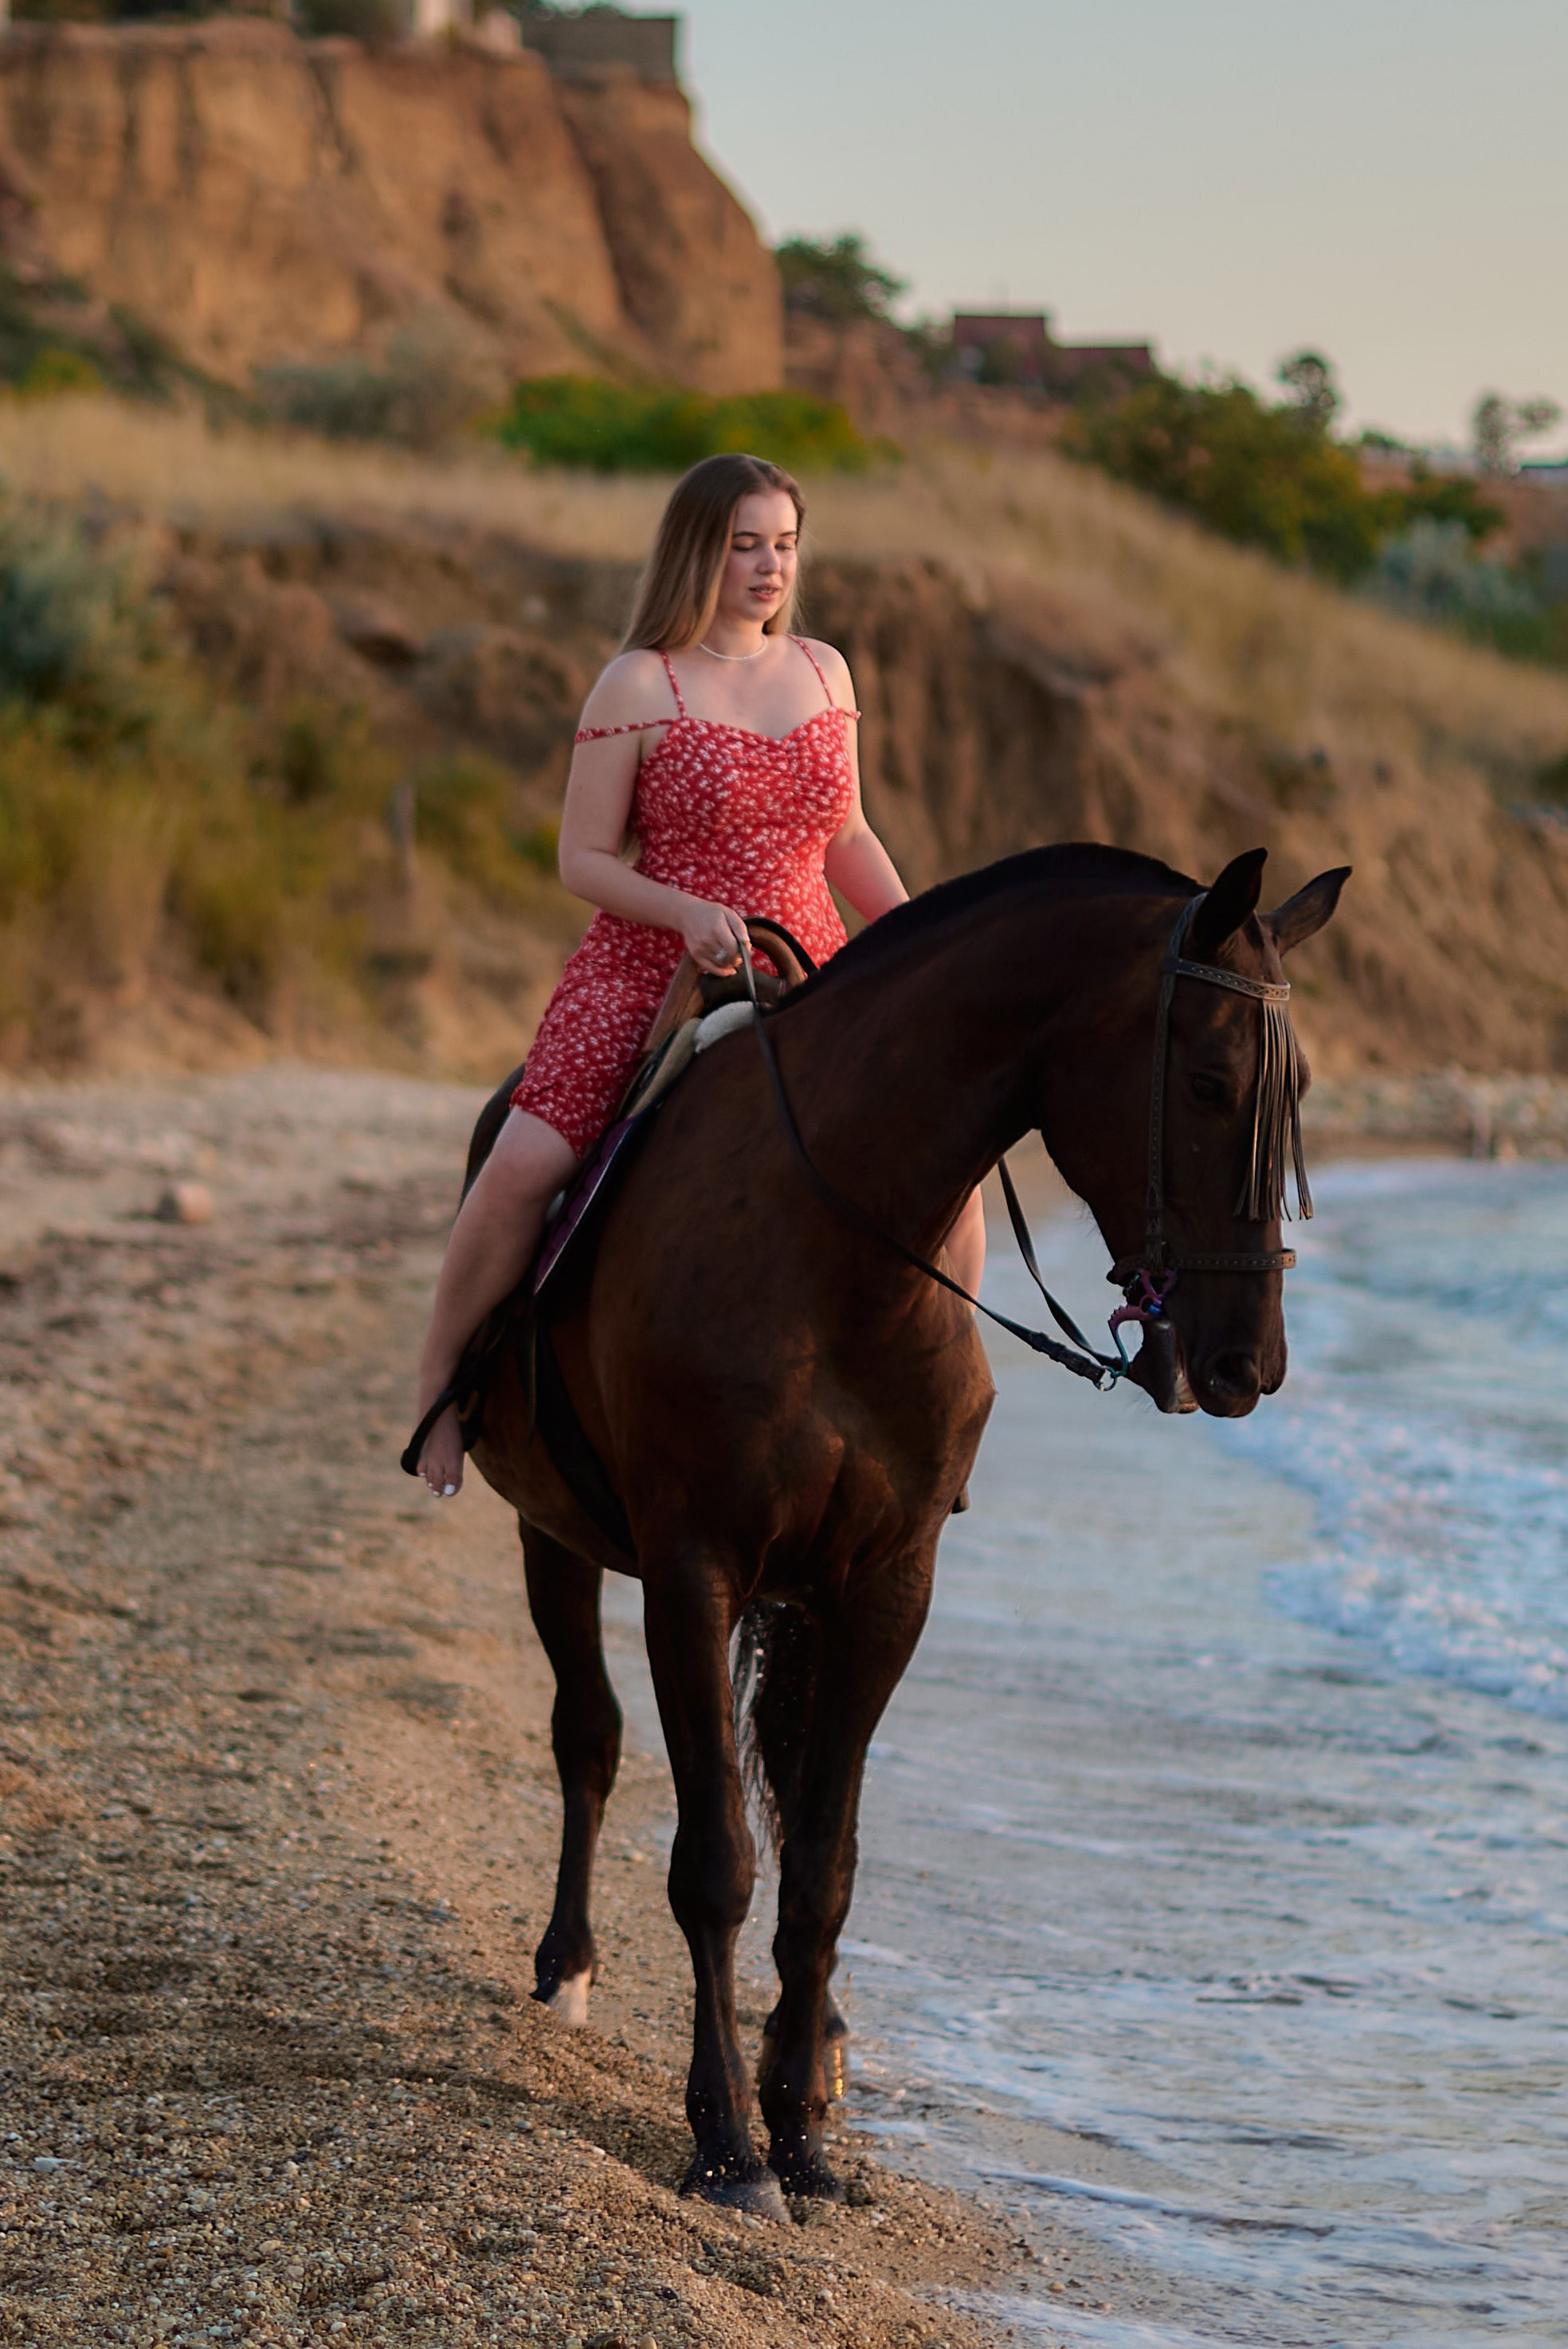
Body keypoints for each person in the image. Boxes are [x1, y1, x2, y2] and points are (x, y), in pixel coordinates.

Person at [413, 452, 985, 1496]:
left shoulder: (824, 670)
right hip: (652, 960)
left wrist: (916, 947)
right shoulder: (640, 682)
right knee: (525, 1163)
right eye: (744, 545)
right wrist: (684, 912)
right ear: (697, 552)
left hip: (816, 958)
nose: (769, 568)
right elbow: (581, 858)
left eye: (784, 545)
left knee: (954, 1176)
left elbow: (847, 833)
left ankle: (921, 1414)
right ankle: (440, 1397)